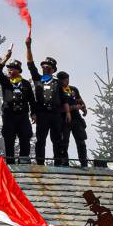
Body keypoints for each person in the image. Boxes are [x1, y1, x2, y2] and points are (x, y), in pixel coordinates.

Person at [25, 37, 70, 166]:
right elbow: (30, 64)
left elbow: (65, 99)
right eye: (44, 66)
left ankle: (58, 163)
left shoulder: (58, 83)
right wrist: (28, 47)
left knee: (57, 139)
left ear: (53, 70)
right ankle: (40, 163)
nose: (45, 68)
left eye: (48, 67)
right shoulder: (38, 79)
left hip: (56, 114)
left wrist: (68, 113)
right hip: (42, 113)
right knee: (40, 140)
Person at [0, 45, 36, 164]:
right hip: (9, 115)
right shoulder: (6, 81)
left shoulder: (25, 83)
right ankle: (10, 162)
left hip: (23, 115)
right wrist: (5, 58)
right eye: (9, 68)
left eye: (12, 68)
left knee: (25, 136)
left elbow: (32, 100)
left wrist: (33, 113)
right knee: (9, 138)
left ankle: (24, 160)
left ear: (18, 70)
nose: (9, 70)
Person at [58, 71, 88, 167]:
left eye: (67, 79)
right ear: (60, 80)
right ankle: (64, 162)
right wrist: (74, 107)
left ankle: (84, 162)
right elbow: (59, 108)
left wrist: (83, 108)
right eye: (64, 80)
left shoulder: (73, 89)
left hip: (77, 119)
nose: (66, 82)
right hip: (64, 119)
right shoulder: (57, 91)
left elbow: (79, 100)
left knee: (81, 141)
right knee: (64, 142)